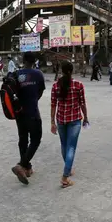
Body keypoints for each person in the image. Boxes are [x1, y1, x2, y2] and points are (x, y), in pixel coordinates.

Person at [50, 60, 87, 188]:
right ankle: (65, 177)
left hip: (61, 120)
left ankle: (68, 167)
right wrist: (86, 117)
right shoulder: (78, 85)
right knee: (71, 147)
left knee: (64, 145)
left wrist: (52, 122)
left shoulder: (55, 86)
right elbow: (82, 103)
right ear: (71, 71)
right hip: (75, 120)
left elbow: (53, 104)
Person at [11, 52, 46, 185]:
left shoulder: (16, 74)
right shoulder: (38, 74)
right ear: (34, 61)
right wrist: (33, 99)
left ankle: (27, 168)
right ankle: (21, 165)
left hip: (19, 113)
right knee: (36, 139)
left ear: (23, 60)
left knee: (23, 139)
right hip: (32, 112)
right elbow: (40, 91)